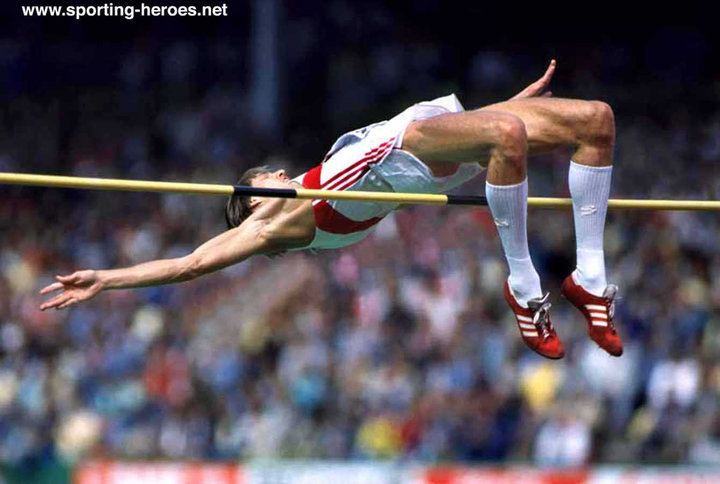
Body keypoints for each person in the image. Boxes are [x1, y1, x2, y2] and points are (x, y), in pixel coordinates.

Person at [40, 60, 622, 360]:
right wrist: (106, 279)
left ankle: (589, 280)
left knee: (595, 120)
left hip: (431, 140)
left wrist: (508, 104)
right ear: (254, 196)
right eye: (259, 179)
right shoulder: (272, 221)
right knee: (506, 134)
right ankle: (523, 287)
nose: (270, 172)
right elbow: (191, 264)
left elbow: (459, 128)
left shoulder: (314, 173)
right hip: (411, 151)